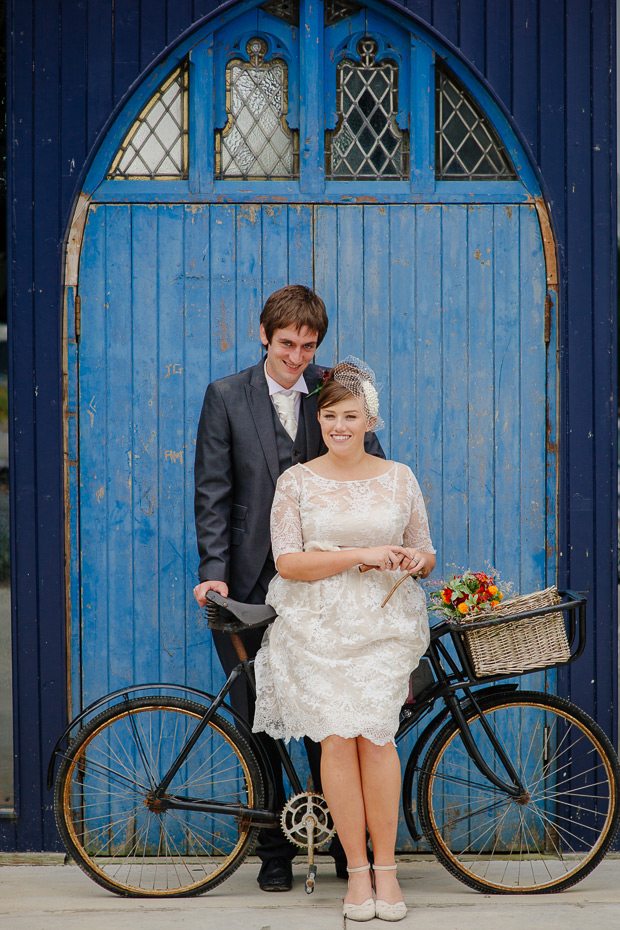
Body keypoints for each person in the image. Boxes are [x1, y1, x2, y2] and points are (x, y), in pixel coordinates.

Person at [192, 287, 384, 892]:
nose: (298, 358)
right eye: (286, 345)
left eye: (308, 346)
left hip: (324, 587)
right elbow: (213, 491)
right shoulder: (225, 396)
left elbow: (371, 473)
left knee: (328, 714)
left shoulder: (335, 390)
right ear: (263, 335)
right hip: (249, 584)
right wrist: (212, 569)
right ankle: (274, 848)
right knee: (258, 719)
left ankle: (337, 845)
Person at [252, 358, 436, 921]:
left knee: (377, 739)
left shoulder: (400, 476)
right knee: (336, 740)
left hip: (383, 625)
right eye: (329, 414)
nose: (338, 425)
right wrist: (361, 555)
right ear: (319, 418)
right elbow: (288, 562)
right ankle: (355, 872)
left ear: (369, 419)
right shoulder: (296, 481)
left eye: (350, 415)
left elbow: (426, 553)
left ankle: (387, 869)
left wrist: (413, 560)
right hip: (316, 627)